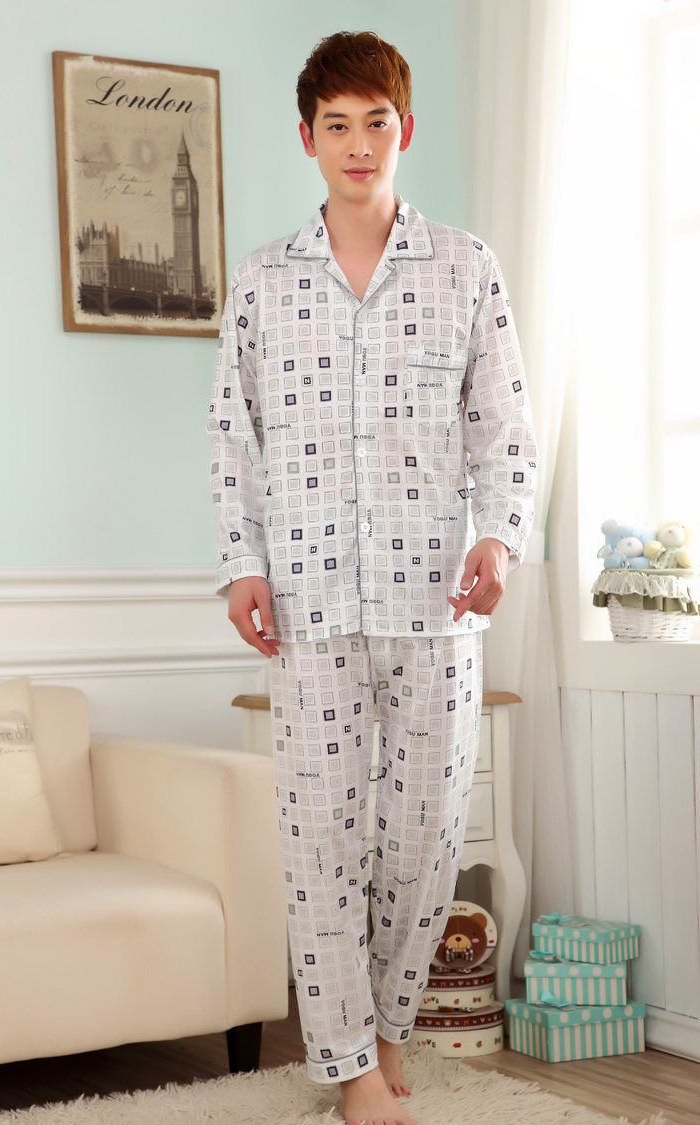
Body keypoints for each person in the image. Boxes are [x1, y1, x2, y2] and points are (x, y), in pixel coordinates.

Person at [206, 30, 538, 1125]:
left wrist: (500, 537)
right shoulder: (263, 282)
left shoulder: (467, 268)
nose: (358, 144)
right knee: (321, 841)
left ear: (406, 130)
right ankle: (351, 1068)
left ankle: (387, 1030)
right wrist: (241, 563)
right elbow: (232, 437)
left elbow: (504, 430)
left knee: (425, 836)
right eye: (337, 125)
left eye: (376, 123)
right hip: (306, 603)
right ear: (307, 138)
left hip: (436, 601)